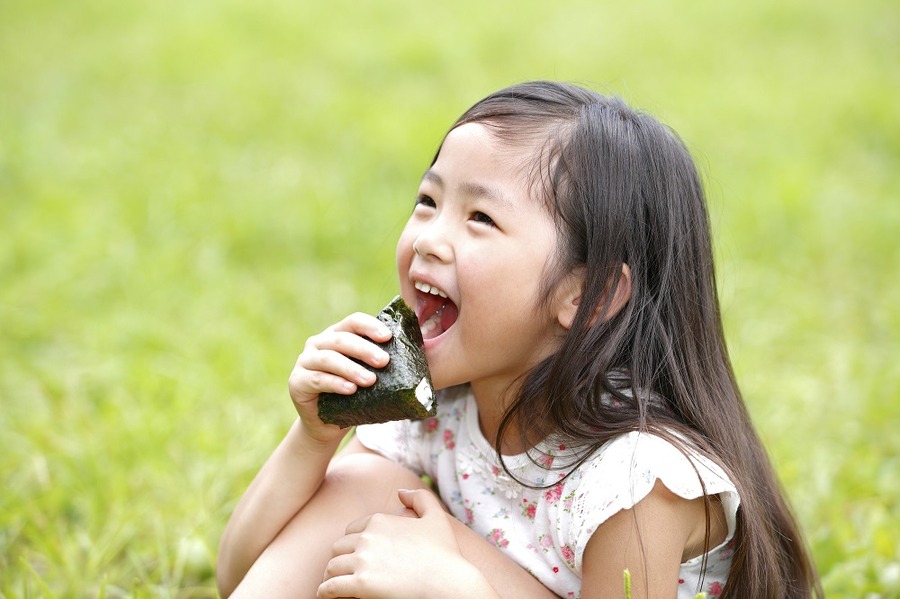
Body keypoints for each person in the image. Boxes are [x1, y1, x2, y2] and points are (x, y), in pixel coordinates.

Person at [216, 81, 822, 598]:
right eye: (428, 201)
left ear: (584, 298)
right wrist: (314, 436)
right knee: (370, 487)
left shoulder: (636, 477)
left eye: (480, 218)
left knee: (395, 520)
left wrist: (456, 587)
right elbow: (241, 573)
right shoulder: (434, 410)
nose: (429, 238)